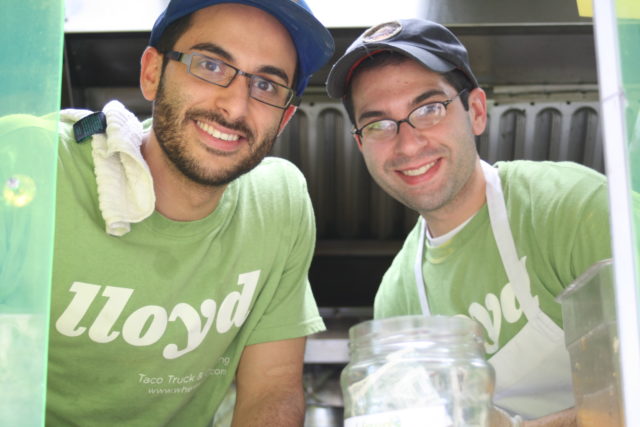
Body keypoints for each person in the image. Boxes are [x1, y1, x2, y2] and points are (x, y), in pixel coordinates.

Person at [0, 0, 335, 425]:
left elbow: (271, 388)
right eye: (210, 65)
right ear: (152, 73)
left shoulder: (278, 202)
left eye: (266, 86)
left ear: (285, 118)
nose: (235, 107)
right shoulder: (26, 160)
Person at [325, 18, 613, 426]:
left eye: (428, 109)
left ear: (475, 111)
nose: (407, 144)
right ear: (360, 143)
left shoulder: (569, 208)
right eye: (379, 125)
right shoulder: (398, 297)